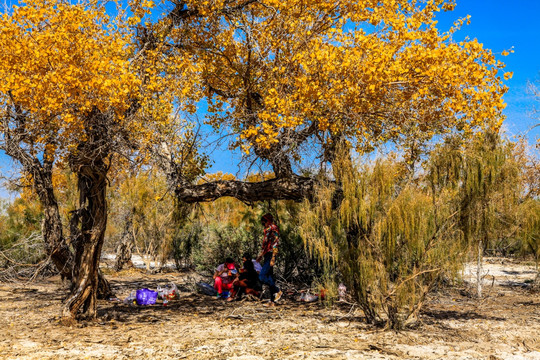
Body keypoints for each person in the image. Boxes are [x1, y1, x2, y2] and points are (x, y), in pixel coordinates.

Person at [256, 213, 282, 306]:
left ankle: (277, 290)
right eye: (263, 223)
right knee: (270, 277)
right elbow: (265, 245)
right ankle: (272, 301)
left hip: (271, 254)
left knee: (262, 276)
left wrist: (273, 257)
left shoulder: (274, 228)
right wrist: (261, 255)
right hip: (267, 254)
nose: (264, 224)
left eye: (265, 222)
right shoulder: (267, 229)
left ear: (268, 221)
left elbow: (275, 243)